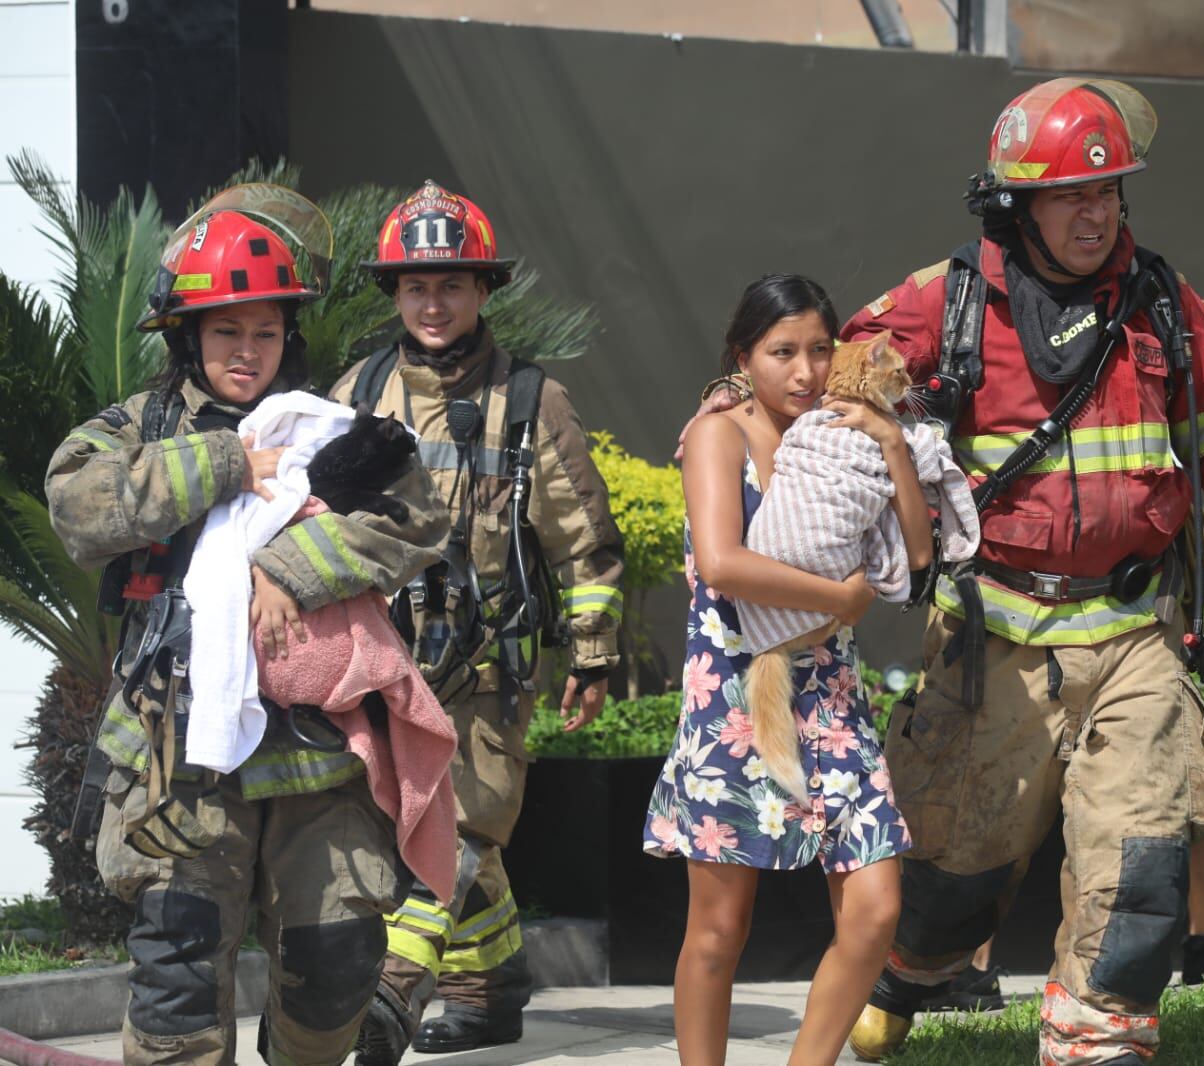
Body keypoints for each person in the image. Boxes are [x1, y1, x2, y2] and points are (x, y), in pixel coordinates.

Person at [835, 79, 1204, 1064]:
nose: (1095, 214)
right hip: (995, 637)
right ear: (1018, 205)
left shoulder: (1163, 302)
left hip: (1135, 632)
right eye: (1069, 197)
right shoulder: (945, 302)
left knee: (1139, 851)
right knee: (956, 865)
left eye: (1107, 193)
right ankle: (907, 974)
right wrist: (832, 417)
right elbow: (840, 390)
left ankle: (1096, 1033)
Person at [47, 192, 449, 1065]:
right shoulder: (138, 429)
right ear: (186, 337)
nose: (246, 351)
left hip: (319, 757)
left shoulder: (327, 429)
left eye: (265, 332)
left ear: (288, 337)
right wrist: (226, 463)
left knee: (337, 962)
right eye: (225, 331)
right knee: (179, 972)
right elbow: (78, 506)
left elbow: (414, 515)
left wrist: (287, 568)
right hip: (176, 756)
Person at [344, 180, 625, 1061]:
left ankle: (387, 1000)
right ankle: (489, 989)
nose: (433, 304)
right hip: (384, 662)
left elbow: (584, 540)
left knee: (462, 825)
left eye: (452, 285)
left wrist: (592, 655)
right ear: (394, 293)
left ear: (482, 290)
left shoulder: (532, 400)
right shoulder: (359, 389)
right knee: (417, 825)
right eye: (416, 286)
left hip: (488, 667)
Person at [643, 274, 926, 1066]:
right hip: (734, 702)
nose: (804, 372)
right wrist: (839, 596)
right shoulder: (718, 435)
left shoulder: (845, 431)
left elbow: (918, 550)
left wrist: (892, 441)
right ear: (743, 356)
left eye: (819, 349)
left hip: (832, 701)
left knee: (875, 911)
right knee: (718, 929)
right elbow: (723, 562)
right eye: (781, 352)